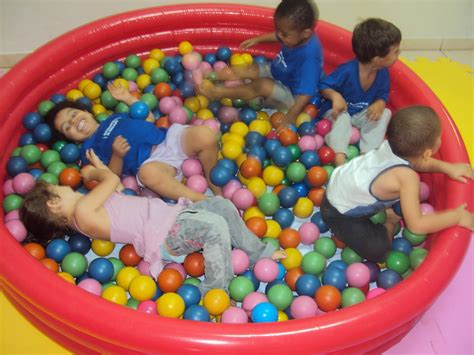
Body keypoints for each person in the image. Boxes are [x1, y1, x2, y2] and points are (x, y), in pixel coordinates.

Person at [20, 149, 287, 296]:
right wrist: (96, 173)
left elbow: (110, 188)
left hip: (172, 217)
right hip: (166, 236)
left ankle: (257, 253)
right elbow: (111, 181)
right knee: (214, 227)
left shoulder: (87, 207)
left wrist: (102, 165)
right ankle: (216, 291)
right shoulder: (82, 213)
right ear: (54, 203)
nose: (66, 186)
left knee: (222, 205)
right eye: (59, 188)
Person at [320, 106, 474, 263]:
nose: (441, 139)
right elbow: (416, 225)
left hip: (339, 183)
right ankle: (389, 222)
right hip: (337, 212)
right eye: (439, 137)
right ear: (427, 153)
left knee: (410, 195)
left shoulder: (390, 145)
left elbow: (417, 161)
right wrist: (457, 217)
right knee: (379, 251)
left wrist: (447, 168)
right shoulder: (407, 178)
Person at [44, 82, 221, 202]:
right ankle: (203, 201)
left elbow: (149, 118)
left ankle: (214, 185)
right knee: (147, 174)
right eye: (68, 127)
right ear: (71, 140)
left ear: (87, 112)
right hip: (155, 163)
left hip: (168, 139)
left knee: (204, 135)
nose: (74, 122)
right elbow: (110, 176)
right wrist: (117, 155)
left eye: (73, 115)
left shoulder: (116, 117)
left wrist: (127, 98)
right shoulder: (88, 150)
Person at [198, 0, 324, 130]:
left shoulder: (311, 58)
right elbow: (279, 35)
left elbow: (305, 94)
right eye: (278, 30)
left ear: (306, 33)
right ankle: (211, 76)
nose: (279, 36)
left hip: (291, 96)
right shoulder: (295, 36)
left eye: (284, 34)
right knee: (250, 68)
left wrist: (291, 116)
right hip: (278, 71)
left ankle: (217, 93)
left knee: (262, 85)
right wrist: (258, 39)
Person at [319, 18, 402, 166]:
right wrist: (335, 96)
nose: (399, 53)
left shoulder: (382, 73)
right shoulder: (347, 71)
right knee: (343, 118)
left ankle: (367, 155)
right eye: (396, 52)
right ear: (378, 59)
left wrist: (380, 103)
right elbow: (323, 85)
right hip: (338, 113)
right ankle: (339, 160)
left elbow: (383, 94)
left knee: (386, 113)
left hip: (359, 116)